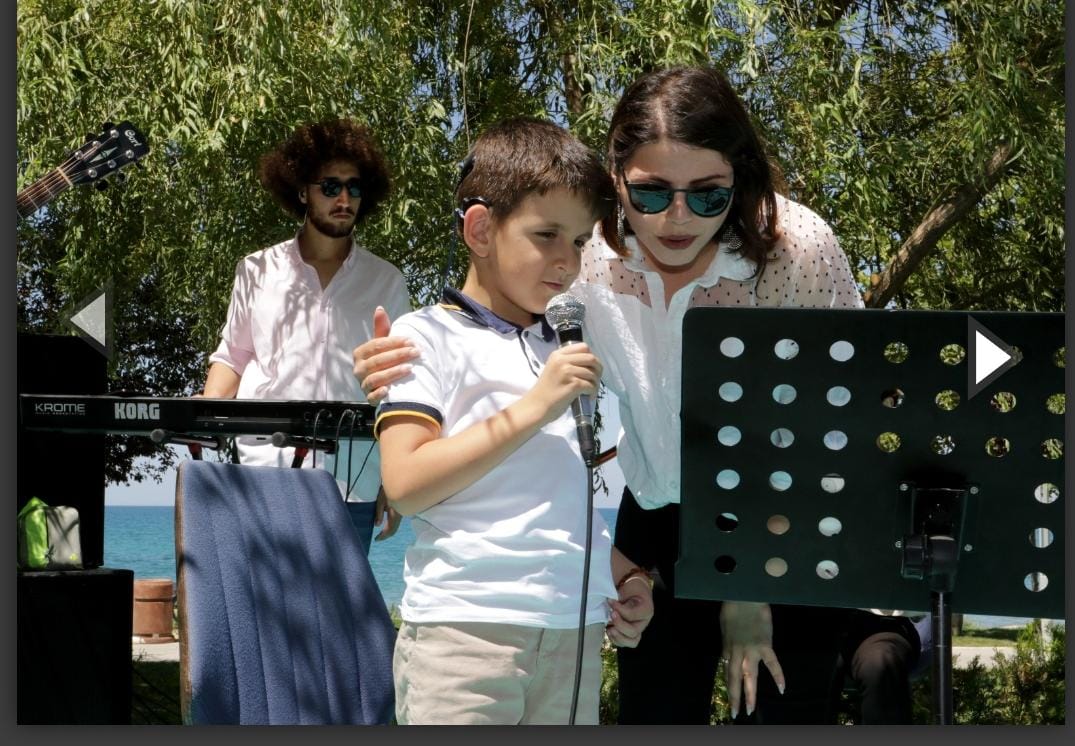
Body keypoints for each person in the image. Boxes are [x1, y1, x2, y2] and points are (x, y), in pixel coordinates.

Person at [354, 66, 909, 724]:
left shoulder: (797, 249)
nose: (677, 218)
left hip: (787, 516)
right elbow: (494, 310)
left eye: (708, 195)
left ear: (740, 178)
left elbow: (840, 424)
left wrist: (750, 581)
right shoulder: (584, 249)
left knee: (782, 712)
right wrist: (398, 376)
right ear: (615, 179)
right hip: (658, 520)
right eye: (649, 193)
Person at [373, 118, 653, 725]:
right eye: (546, 234)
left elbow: (557, 499)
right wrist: (534, 406)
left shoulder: (566, 343)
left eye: (579, 241)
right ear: (480, 229)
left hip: (573, 633)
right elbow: (407, 484)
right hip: (464, 634)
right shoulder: (423, 337)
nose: (567, 260)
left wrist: (626, 577)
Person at [202, 118, 411, 555]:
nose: (343, 199)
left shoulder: (387, 281)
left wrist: (396, 474)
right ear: (302, 191)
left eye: (354, 188)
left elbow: (402, 384)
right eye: (330, 186)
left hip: (353, 479)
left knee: (342, 599)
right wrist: (202, 418)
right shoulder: (256, 270)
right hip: (264, 471)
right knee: (263, 596)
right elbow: (233, 356)